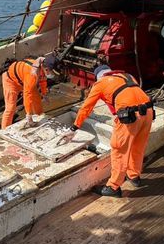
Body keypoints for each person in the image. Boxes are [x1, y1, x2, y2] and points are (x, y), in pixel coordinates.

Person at [62, 65, 154, 198]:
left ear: (99, 76)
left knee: (119, 150)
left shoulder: (100, 83)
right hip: (148, 112)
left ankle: (113, 187)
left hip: (130, 117)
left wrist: (74, 128)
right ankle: (134, 176)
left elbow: (86, 108)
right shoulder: (128, 76)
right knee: (138, 146)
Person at [0, 55, 56, 129]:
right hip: (10, 81)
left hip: (22, 80)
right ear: (46, 69)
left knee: (37, 97)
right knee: (10, 108)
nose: (52, 74)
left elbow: (43, 80)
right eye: (51, 72)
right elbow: (27, 94)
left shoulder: (42, 67)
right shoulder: (32, 74)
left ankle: (39, 116)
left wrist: (44, 93)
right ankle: (4, 129)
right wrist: (28, 114)